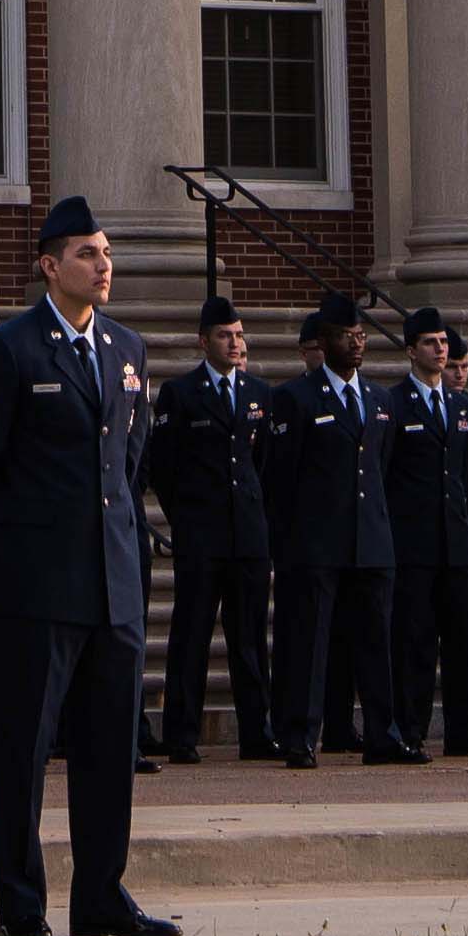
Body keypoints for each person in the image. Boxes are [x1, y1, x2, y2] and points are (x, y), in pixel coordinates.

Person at [0, 201, 177, 936]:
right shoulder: (10, 349)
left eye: (106, 253)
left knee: (110, 749)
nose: (103, 265)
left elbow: (130, 462)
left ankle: (102, 895)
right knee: (23, 751)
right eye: (87, 254)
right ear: (50, 267)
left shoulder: (126, 347)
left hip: (113, 581)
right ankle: (22, 904)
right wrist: (4, 563)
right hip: (34, 585)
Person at [260, 293, 405, 766]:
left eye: (361, 336)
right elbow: (280, 475)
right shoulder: (295, 397)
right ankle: (301, 735)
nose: (356, 344)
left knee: (376, 642)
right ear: (324, 341)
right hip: (316, 541)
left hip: (370, 539)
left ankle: (383, 734)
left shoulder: (379, 399)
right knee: (310, 643)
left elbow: (382, 467)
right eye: (347, 336)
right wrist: (290, 540)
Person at [146, 295, 271, 763]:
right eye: (224, 336)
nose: (234, 344)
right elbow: (163, 467)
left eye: (238, 335)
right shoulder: (181, 393)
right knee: (192, 635)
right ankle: (182, 734)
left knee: (250, 638)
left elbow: (263, 463)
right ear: (204, 341)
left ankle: (257, 732)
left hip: (248, 533)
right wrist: (186, 517)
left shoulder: (258, 392)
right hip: (202, 533)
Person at [389, 314, 468, 756]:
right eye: (430, 343)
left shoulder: (463, 407)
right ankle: (411, 730)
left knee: (463, 644)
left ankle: (463, 730)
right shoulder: (393, 404)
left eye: (443, 342)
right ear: (410, 350)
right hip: (414, 543)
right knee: (414, 642)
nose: (440, 350)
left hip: (459, 542)